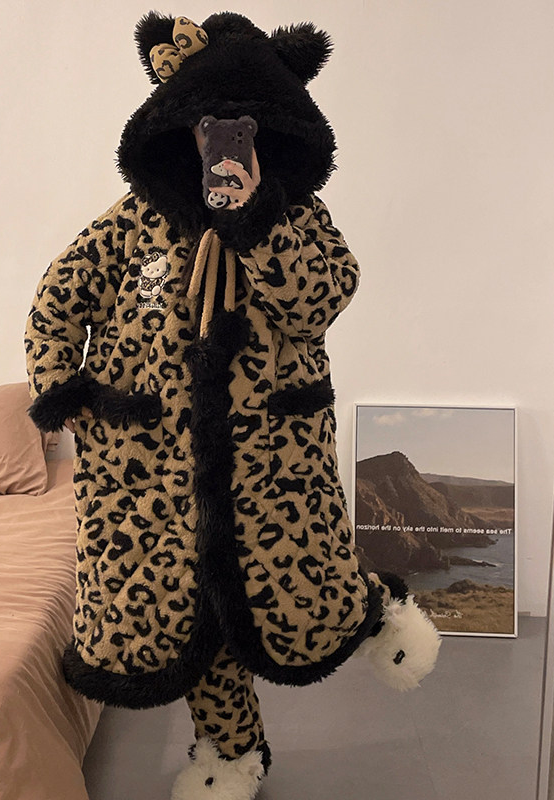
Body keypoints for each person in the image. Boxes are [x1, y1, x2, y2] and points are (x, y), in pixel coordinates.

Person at [25, 12, 439, 799]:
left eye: (240, 129)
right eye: (207, 127)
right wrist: (63, 389)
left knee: (303, 576)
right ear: (177, 128)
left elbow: (321, 301)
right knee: (196, 621)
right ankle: (232, 751)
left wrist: (254, 223)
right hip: (151, 468)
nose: (220, 144)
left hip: (273, 457)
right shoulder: (128, 226)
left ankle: (377, 610)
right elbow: (55, 302)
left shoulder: (296, 217)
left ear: (268, 133)